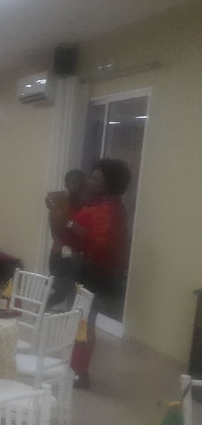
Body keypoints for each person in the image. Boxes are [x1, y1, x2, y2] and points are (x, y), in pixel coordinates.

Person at [61, 158, 131, 389]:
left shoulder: (109, 209)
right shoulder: (99, 204)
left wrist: (66, 221)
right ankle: (73, 367)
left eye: (96, 179)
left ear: (109, 184)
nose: (89, 182)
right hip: (86, 269)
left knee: (84, 322)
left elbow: (97, 241)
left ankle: (80, 373)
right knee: (79, 319)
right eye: (91, 177)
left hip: (94, 273)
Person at [44, 169, 86, 308]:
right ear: (66, 183)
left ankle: (65, 316)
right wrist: (62, 246)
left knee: (73, 291)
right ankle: (40, 311)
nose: (78, 185)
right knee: (61, 291)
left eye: (81, 182)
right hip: (60, 253)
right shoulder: (58, 202)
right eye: (75, 182)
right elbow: (55, 229)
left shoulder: (84, 204)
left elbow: (82, 231)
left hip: (77, 254)